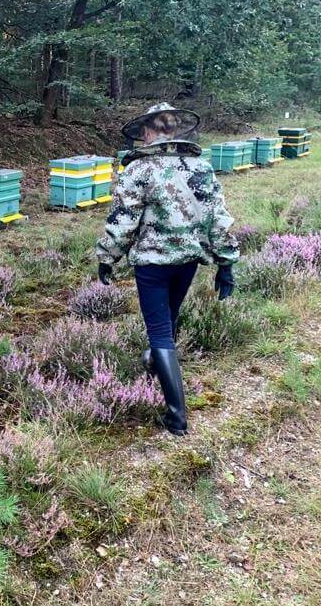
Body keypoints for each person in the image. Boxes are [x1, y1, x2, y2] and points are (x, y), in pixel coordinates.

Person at [96, 103, 239, 436]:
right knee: (168, 320)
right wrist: (226, 263)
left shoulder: (139, 170)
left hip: (152, 264)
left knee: (160, 330)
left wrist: (107, 256)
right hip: (188, 262)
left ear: (148, 131)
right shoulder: (201, 167)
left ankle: (177, 418)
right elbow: (217, 217)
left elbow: (123, 220)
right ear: (175, 131)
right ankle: (153, 362)